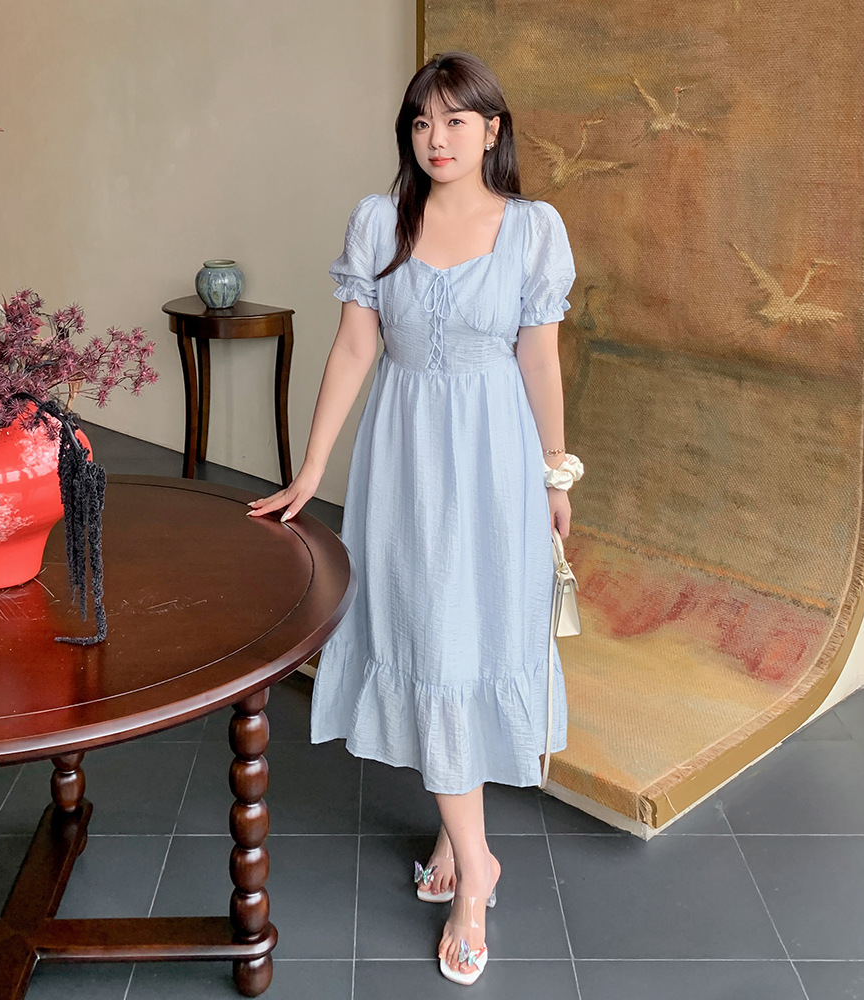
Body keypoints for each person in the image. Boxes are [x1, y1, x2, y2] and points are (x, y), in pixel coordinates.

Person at [248, 50, 582, 986]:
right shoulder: (379, 220)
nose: (437, 139)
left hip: (495, 463)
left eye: (455, 121)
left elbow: (539, 361)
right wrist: (312, 468)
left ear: (492, 129)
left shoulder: (532, 230)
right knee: (427, 639)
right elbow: (356, 348)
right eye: (421, 122)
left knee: (469, 642)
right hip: (403, 462)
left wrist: (556, 477)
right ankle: (465, 842)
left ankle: (474, 869)